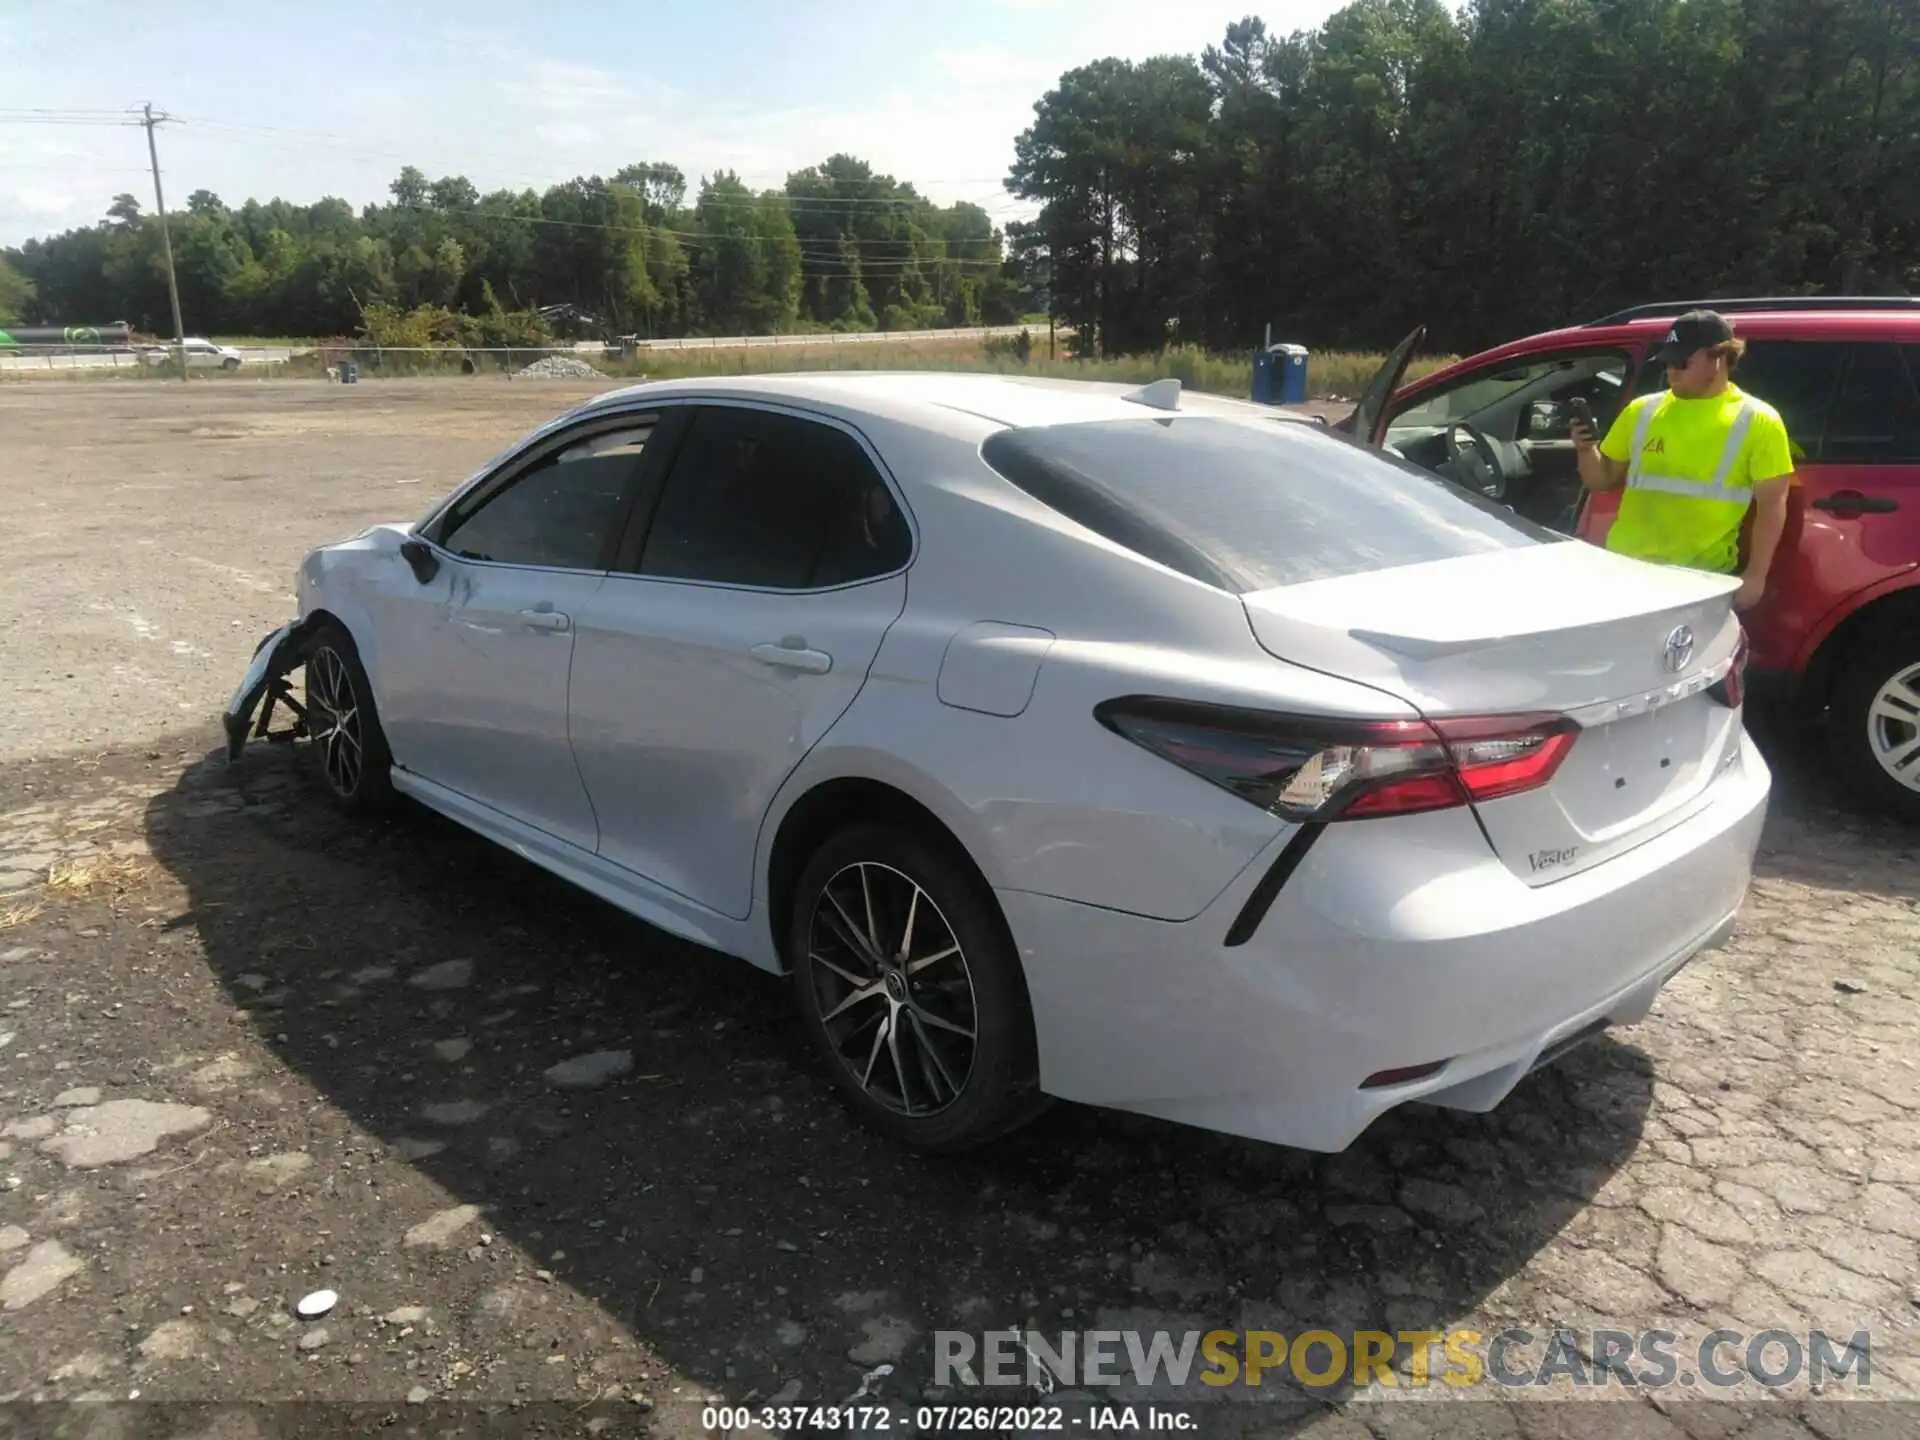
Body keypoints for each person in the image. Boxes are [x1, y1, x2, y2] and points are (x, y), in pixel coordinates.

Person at [1572, 309, 1794, 611]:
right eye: (1668, 363)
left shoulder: (1758, 421)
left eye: (1681, 363)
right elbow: (1601, 480)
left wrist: (1756, 576)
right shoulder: (1642, 411)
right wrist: (1586, 450)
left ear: (1718, 359)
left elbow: (1772, 505)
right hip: (1626, 569)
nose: (1671, 372)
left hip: (1700, 581)